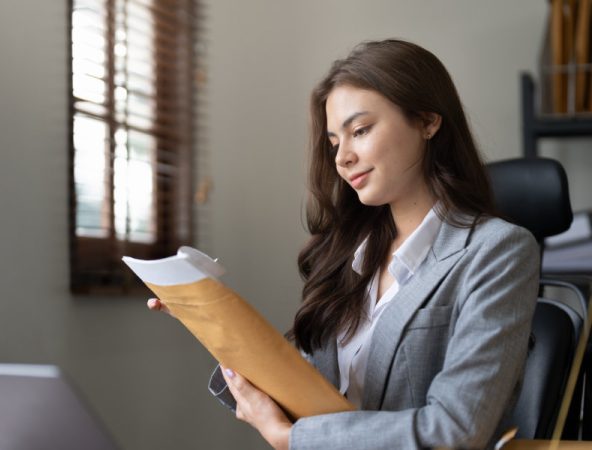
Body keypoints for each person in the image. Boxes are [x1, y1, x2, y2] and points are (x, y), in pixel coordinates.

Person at [148, 39, 539, 450]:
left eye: (361, 130)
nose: (342, 158)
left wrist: (295, 439)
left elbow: (456, 430)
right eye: (335, 142)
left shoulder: (498, 251)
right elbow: (317, 393)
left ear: (427, 121)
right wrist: (210, 317)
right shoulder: (351, 255)